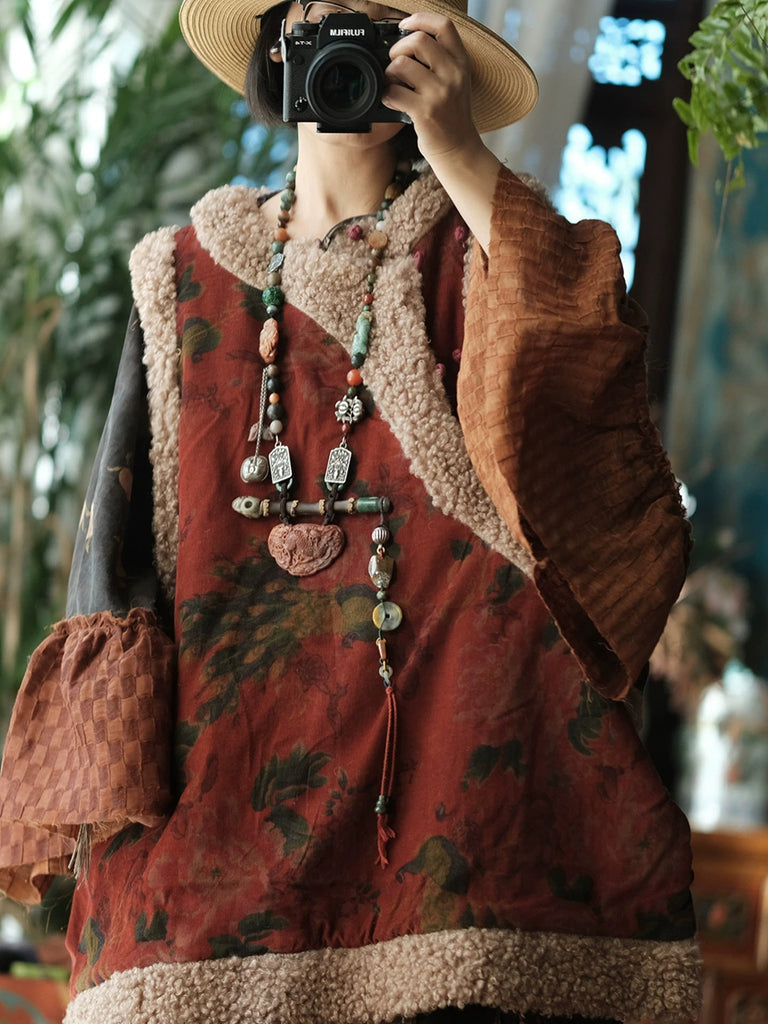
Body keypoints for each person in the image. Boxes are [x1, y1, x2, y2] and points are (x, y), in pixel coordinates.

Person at [0, 0, 701, 1021]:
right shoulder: (178, 275)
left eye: (389, 22)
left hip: (464, 826)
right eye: (334, 16)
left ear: (441, 52)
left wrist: (458, 150)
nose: (355, 49)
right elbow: (121, 558)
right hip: (222, 816)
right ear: (279, 36)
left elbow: (595, 455)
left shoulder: (493, 251)